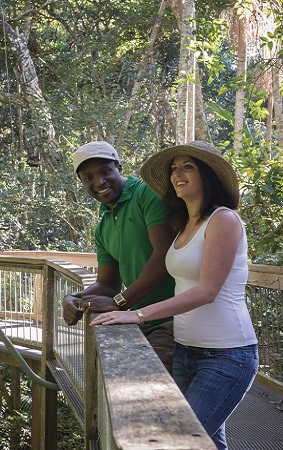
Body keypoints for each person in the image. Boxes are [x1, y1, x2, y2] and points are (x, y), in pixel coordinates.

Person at [91, 141, 258, 450]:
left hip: (225, 355)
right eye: (173, 169)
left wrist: (135, 312)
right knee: (208, 441)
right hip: (184, 350)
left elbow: (207, 291)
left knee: (180, 442)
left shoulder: (223, 219)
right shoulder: (183, 226)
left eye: (188, 167)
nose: (178, 173)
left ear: (207, 175)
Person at [62, 140, 177, 371]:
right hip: (137, 319)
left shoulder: (146, 194)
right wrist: (73, 297)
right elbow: (107, 284)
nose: (99, 182)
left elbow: (165, 253)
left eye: (105, 171)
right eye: (88, 178)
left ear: (119, 168)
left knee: (142, 384)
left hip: (171, 319)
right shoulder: (103, 226)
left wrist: (121, 301)